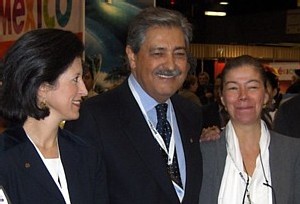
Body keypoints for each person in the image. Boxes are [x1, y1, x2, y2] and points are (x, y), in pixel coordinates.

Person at [65, 7, 203, 204]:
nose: (171, 65)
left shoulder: (191, 114)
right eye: (158, 53)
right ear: (132, 57)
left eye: (179, 54)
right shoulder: (93, 118)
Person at [0, 28, 108, 204]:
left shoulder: (87, 155)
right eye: (75, 79)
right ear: (43, 87)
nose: (84, 90)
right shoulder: (6, 158)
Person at [199, 55, 300, 204]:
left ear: (266, 95)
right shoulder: (203, 153)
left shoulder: (294, 152)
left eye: (252, 87)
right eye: (233, 88)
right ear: (222, 98)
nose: (243, 96)